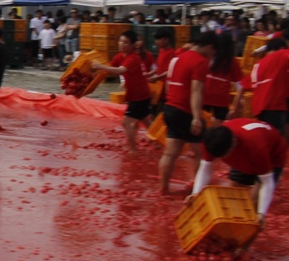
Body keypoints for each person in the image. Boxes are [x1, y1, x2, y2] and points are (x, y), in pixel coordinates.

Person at [159, 31, 219, 193]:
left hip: (170, 107)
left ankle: (163, 189)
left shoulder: (179, 57)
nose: (213, 55)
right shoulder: (201, 61)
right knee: (203, 152)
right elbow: (196, 91)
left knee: (170, 153)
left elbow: (169, 83)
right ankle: (197, 190)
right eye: (214, 51)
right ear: (209, 47)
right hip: (185, 110)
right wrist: (196, 117)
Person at [193, 120, 287, 222]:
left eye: (224, 155)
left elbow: (267, 183)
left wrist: (261, 213)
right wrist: (196, 194)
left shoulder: (255, 147)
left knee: (253, 208)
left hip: (272, 156)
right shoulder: (210, 141)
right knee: (231, 199)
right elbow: (205, 168)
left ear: (233, 143)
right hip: (244, 152)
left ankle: (246, 234)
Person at [92, 31, 154, 149]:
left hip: (139, 95)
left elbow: (119, 70)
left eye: (125, 42)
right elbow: (109, 68)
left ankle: (133, 150)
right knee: (146, 121)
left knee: (126, 122)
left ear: (132, 45)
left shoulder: (133, 58)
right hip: (140, 93)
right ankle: (160, 144)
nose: (121, 44)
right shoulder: (120, 56)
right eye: (120, 41)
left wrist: (100, 67)